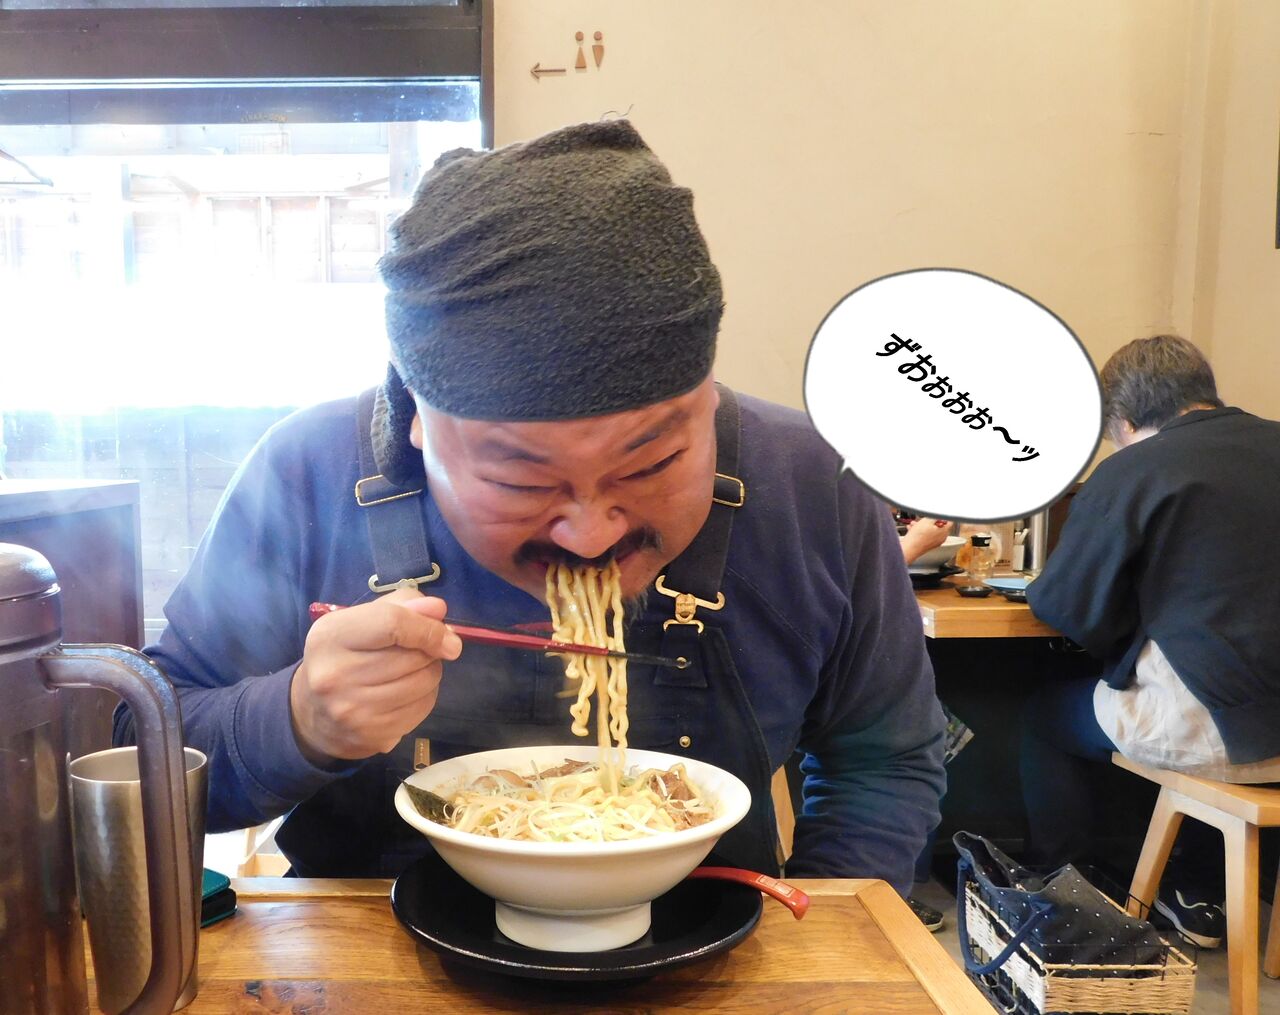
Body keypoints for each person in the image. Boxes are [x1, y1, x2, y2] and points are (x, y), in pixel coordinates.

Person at [115, 120, 946, 890]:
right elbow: (141, 755)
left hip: (720, 952)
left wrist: (824, 943)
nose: (589, 534)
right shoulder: (307, 473)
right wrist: (298, 718)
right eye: (521, 482)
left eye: (652, 462)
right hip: (366, 958)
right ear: (416, 424)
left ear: (707, 397)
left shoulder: (812, 482)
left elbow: (885, 760)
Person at [1021, 334, 1280, 946]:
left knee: (1044, 716)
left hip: (1220, 732)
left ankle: (1059, 890)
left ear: (1125, 420)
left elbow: (1068, 608)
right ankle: (1196, 887)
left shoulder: (1134, 468)